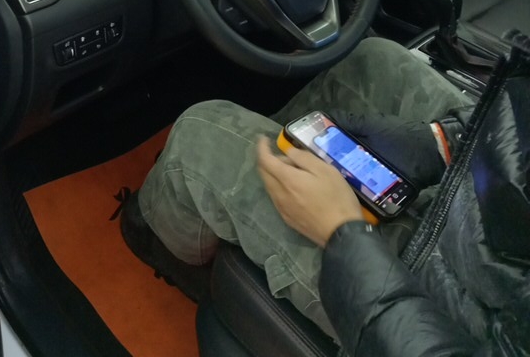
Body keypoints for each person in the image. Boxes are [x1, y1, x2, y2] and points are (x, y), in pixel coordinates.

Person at [121, 36, 530, 355]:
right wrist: (444, 142)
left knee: (198, 138)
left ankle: (163, 240)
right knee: (376, 61)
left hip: (435, 306)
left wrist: (343, 235)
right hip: (480, 222)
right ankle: (245, 186)